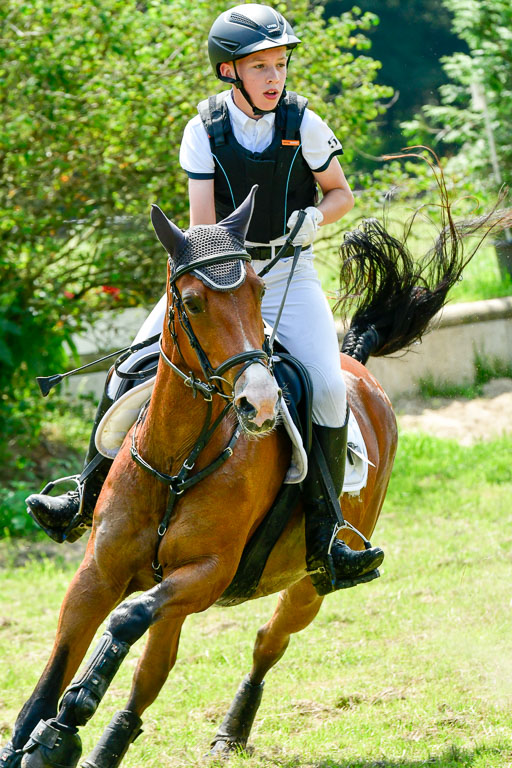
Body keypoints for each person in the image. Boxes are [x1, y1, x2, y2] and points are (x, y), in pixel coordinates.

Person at [26, 3, 384, 595]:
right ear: (229, 72)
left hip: (289, 273)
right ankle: (84, 499)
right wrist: (224, 286)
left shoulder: (305, 123)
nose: (275, 77)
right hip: (218, 279)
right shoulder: (203, 129)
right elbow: (202, 224)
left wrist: (314, 220)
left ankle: (326, 538)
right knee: (129, 368)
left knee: (323, 382)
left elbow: (341, 193)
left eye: (280, 64)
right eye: (261, 66)